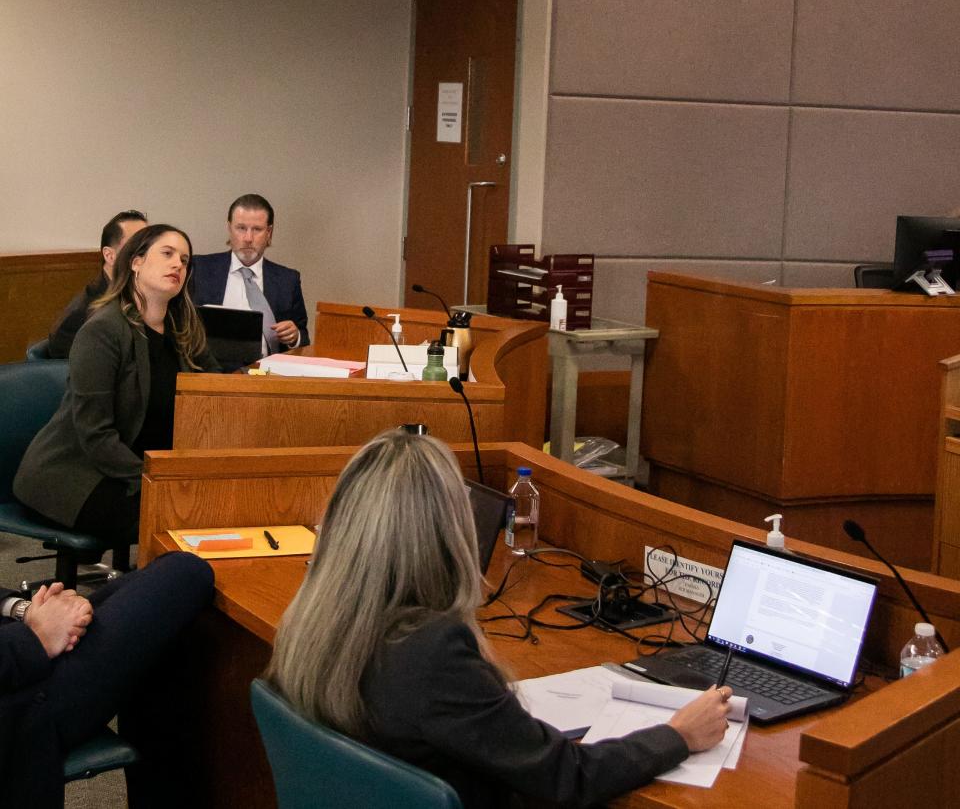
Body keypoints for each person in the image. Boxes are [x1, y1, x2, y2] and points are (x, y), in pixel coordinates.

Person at [267, 430, 731, 809]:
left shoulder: (313, 617)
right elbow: (569, 778)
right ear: (446, 533)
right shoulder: (431, 650)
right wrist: (678, 735)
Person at [14, 224, 219, 546]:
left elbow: (215, 391)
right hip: (75, 474)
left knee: (212, 505)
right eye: (167, 254)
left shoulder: (184, 330)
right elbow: (95, 435)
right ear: (136, 262)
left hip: (135, 468)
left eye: (185, 260)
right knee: (180, 519)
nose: (178, 264)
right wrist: (155, 479)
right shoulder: (103, 331)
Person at [0, 551, 214, 809]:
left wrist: (20, 609)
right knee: (185, 573)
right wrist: (37, 637)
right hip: (18, 702)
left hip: (15, 651)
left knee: (148, 585)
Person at [191, 193, 310, 355]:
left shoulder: (288, 280)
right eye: (241, 228)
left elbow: (303, 336)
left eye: (257, 229)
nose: (248, 238)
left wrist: (294, 336)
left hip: (266, 374)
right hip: (208, 372)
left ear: (269, 233)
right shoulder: (199, 268)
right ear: (229, 228)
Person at [47, 209, 148, 358]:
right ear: (109, 255)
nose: (147, 255)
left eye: (148, 246)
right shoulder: (87, 311)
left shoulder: (143, 296)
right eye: (137, 247)